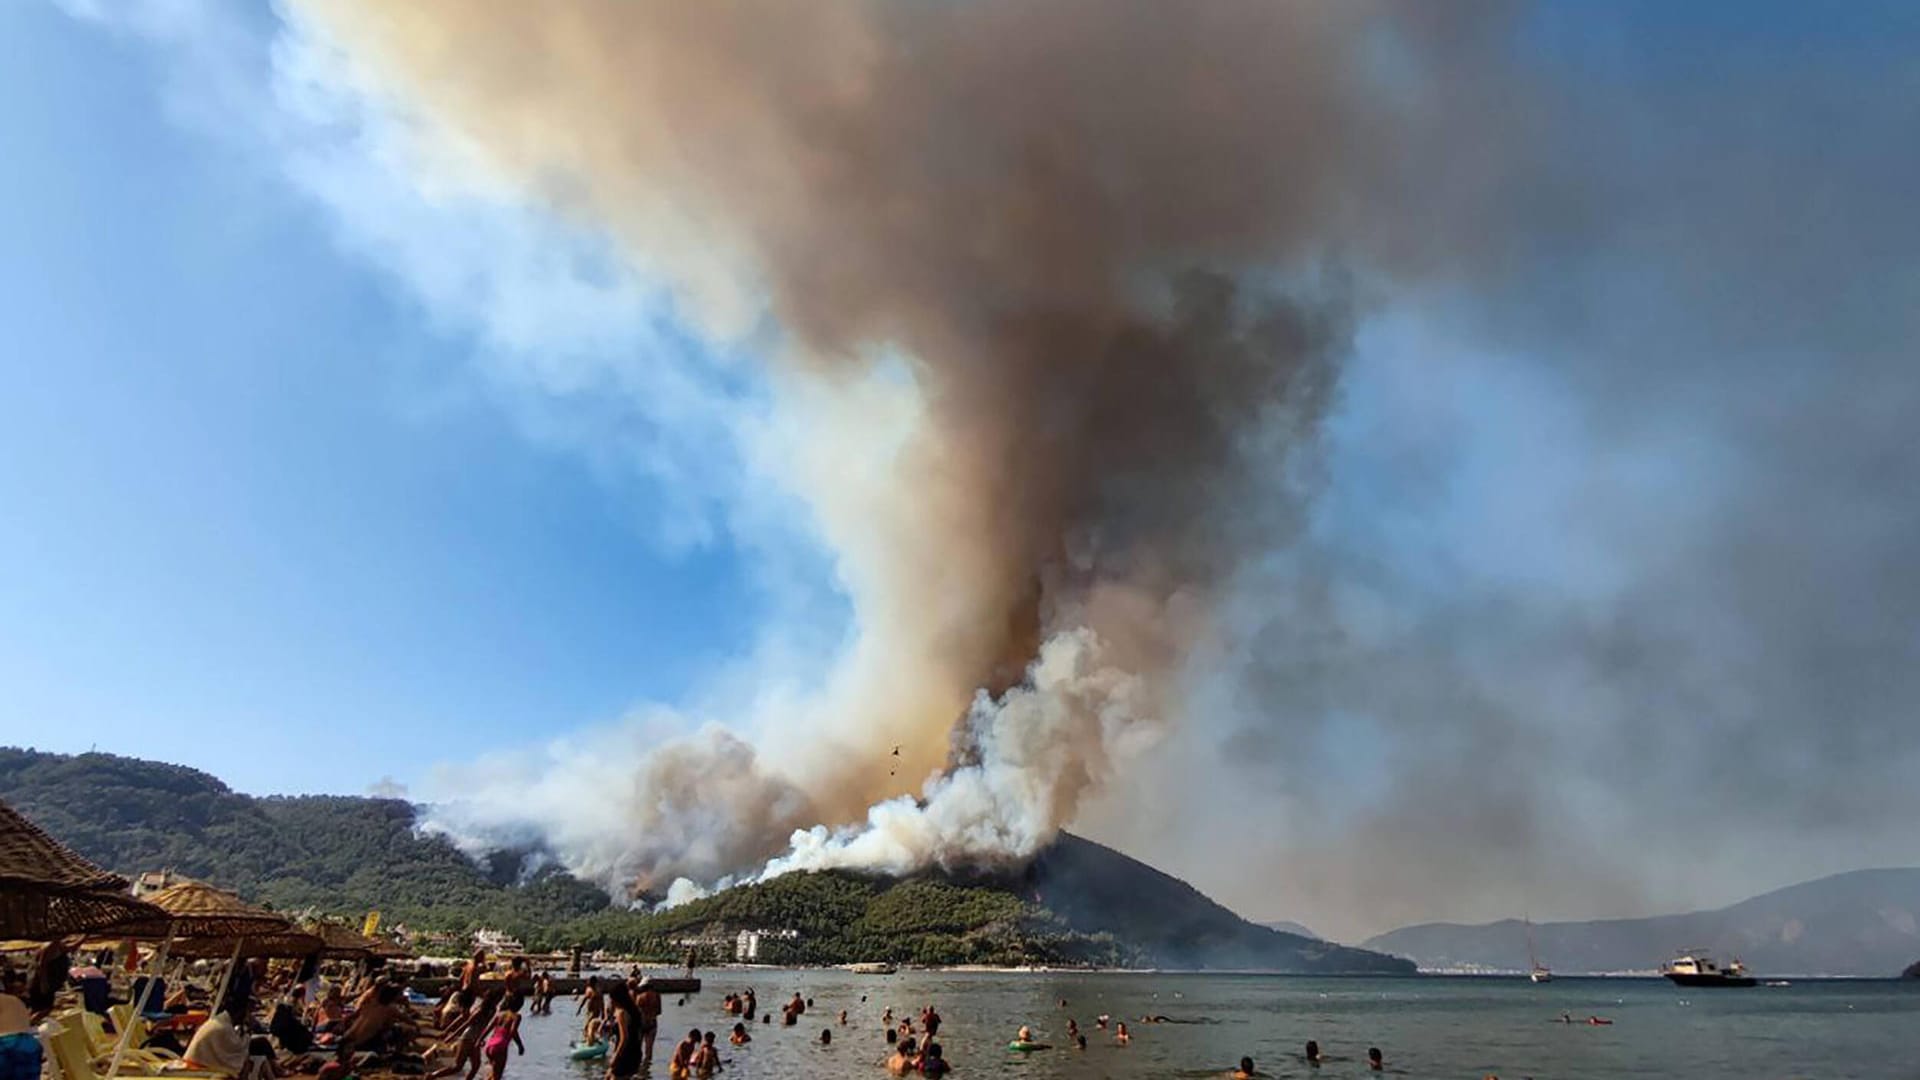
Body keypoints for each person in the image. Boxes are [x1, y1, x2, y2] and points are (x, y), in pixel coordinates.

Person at [603, 981, 642, 1080]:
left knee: (612, 1076)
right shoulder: (633, 1011)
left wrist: (616, 1056)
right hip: (635, 1052)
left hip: (625, 1054)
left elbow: (624, 1038)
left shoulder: (621, 1013)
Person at [481, 1002, 524, 1080]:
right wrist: (520, 1045)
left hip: (489, 1045)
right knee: (497, 1076)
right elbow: (513, 1031)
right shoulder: (516, 1016)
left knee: (493, 1074)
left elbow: (488, 1028)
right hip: (500, 1046)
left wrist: (479, 1040)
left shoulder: (500, 1014)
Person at [634, 977, 663, 1064]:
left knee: (637, 1048)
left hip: (641, 1024)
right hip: (652, 1023)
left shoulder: (640, 997)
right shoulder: (657, 996)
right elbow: (659, 1011)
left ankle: (638, 1070)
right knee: (649, 1050)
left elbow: (636, 1013)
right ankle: (647, 1070)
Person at [577, 976, 604, 1043]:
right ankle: (588, 1039)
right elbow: (584, 999)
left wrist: (603, 1011)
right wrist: (579, 1009)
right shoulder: (588, 989)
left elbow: (601, 1002)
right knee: (588, 1026)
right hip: (589, 1010)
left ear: (594, 982)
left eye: (590, 981)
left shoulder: (598, 991)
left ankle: (591, 1039)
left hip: (595, 1011)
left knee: (589, 1026)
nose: (588, 982)